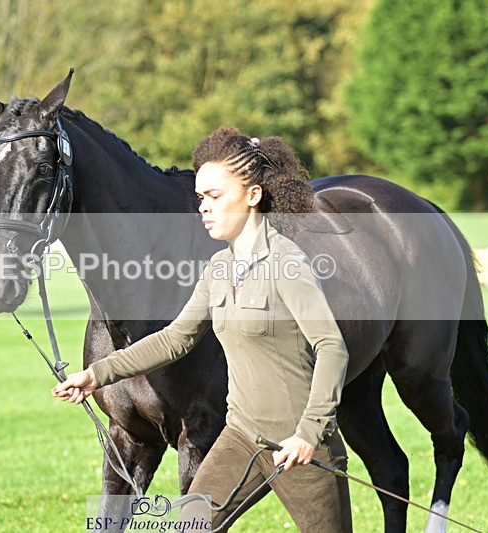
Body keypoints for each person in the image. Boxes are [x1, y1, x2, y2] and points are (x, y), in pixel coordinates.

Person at [52, 127, 352, 532]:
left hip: (300, 445)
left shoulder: (288, 265)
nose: (204, 208)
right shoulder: (218, 269)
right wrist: (96, 373)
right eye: (200, 198)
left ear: (252, 195)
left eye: (215, 197)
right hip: (241, 438)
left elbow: (332, 346)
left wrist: (310, 432)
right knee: (190, 525)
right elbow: (176, 338)